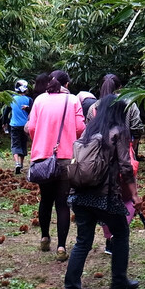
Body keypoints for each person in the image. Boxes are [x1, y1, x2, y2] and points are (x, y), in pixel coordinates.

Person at [63, 95, 140, 289]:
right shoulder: (118, 132)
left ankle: (71, 288)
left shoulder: (90, 130)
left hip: (80, 193)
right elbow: (125, 166)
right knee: (121, 233)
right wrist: (134, 194)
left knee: (83, 241)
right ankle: (119, 282)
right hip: (104, 195)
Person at [26, 69, 86, 260]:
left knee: (45, 199)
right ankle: (61, 247)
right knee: (62, 204)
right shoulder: (74, 100)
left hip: (43, 156)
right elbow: (80, 128)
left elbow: (32, 128)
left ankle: (44, 237)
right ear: (65, 85)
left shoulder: (40, 100)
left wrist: (43, 140)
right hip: (66, 157)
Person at [96, 74, 144, 156]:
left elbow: (88, 129)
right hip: (125, 152)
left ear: (101, 88)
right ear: (120, 88)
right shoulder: (130, 104)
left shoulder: (95, 106)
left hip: (101, 154)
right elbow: (137, 128)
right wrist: (133, 147)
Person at [9, 79, 32, 175]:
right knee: (23, 144)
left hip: (14, 125)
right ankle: (22, 163)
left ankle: (17, 163)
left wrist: (4, 123)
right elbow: (33, 111)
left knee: (15, 144)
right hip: (25, 126)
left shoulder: (12, 99)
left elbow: (6, 111)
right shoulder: (29, 100)